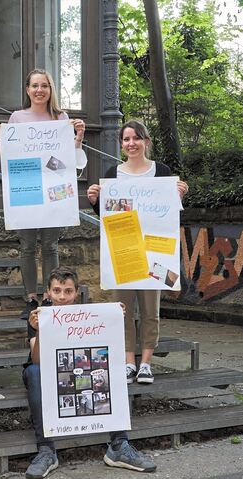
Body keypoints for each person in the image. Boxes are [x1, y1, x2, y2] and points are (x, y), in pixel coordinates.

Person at [22, 267, 156, 479]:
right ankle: (46, 450)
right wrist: (38, 330)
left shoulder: (89, 317)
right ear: (47, 292)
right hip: (47, 370)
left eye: (68, 291)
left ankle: (119, 444)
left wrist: (114, 316)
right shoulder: (40, 317)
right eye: (57, 291)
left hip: (82, 369)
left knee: (110, 367)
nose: (62, 296)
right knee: (34, 372)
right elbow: (38, 359)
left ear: (76, 292)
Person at [87, 120, 189, 384]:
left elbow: (168, 214)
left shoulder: (162, 172)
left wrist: (179, 195)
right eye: (126, 139)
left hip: (155, 253)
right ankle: (128, 362)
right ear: (121, 144)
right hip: (122, 252)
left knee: (150, 311)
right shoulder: (112, 174)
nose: (131, 143)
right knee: (122, 308)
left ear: (146, 141)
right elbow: (107, 217)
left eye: (136, 138)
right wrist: (95, 202)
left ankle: (146, 363)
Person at [0, 69, 88, 320]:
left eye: (44, 85)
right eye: (35, 85)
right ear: (28, 90)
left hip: (54, 190)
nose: (40, 90)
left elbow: (70, 158)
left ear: (50, 89)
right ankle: (31, 297)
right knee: (28, 247)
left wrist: (79, 138)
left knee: (51, 246)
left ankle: (50, 297)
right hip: (27, 190)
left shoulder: (61, 117)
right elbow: (7, 157)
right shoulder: (17, 118)